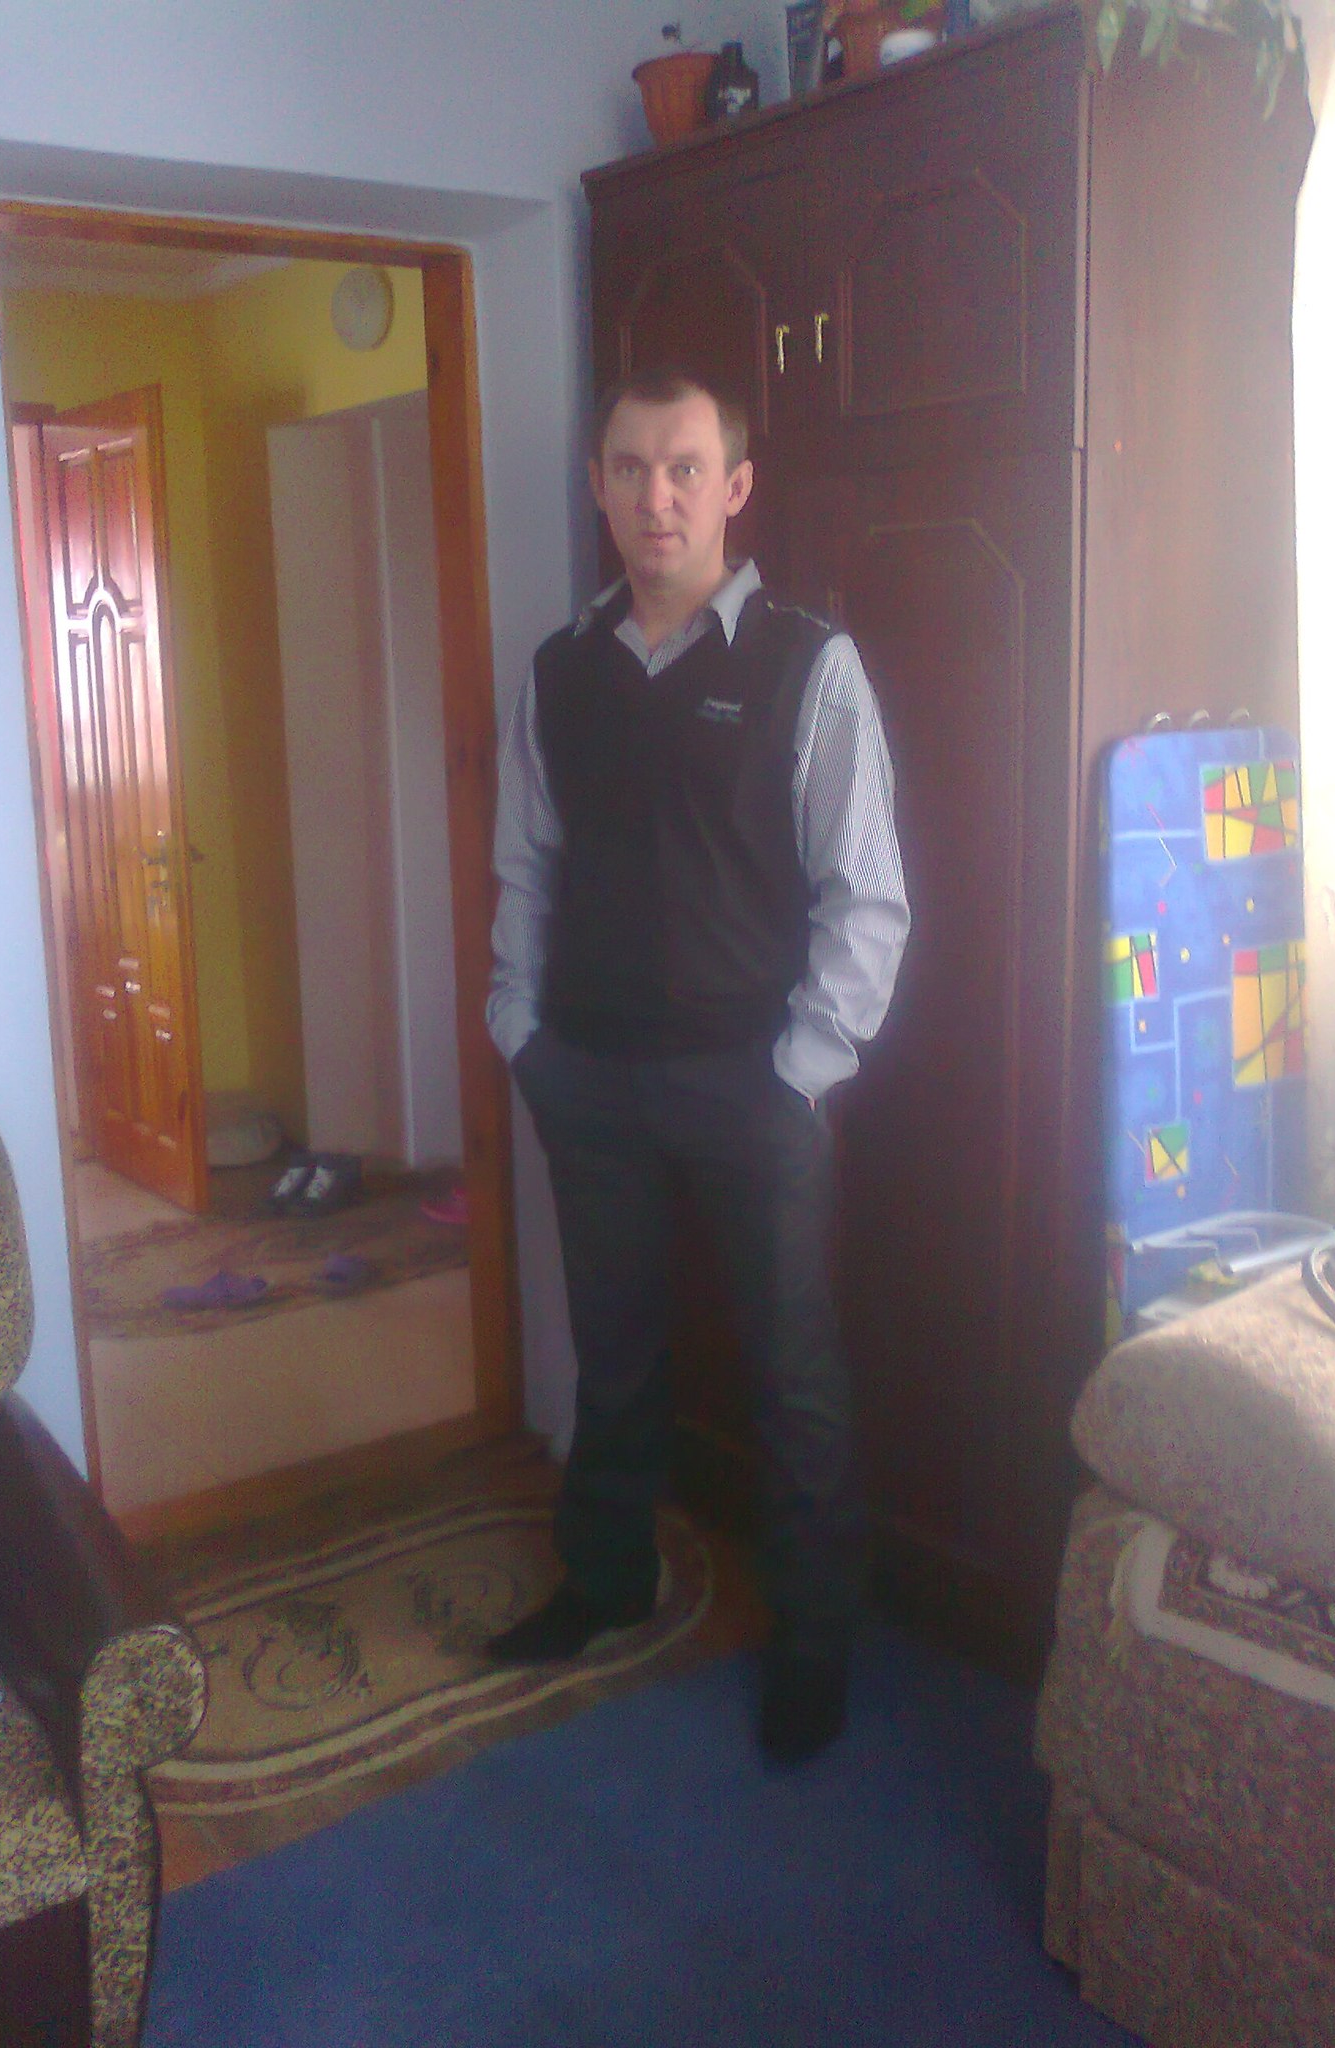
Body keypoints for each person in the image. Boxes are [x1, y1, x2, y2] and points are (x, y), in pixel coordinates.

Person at [485, 366, 910, 1763]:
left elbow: (867, 894)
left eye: (682, 469)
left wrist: (804, 1068)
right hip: (590, 1073)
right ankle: (606, 1582)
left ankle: (814, 1642)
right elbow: (528, 866)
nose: (654, 497)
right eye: (628, 468)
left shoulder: (806, 664)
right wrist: (520, 1029)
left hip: (752, 1083)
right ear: (599, 487)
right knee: (613, 1356)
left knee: (793, 1371)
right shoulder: (560, 671)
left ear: (734, 488)